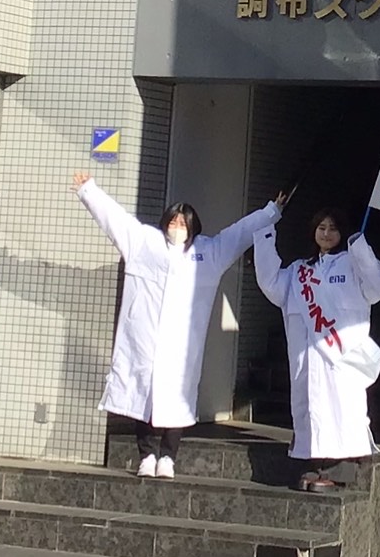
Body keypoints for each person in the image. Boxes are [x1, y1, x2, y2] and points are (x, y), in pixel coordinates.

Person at [73, 172, 285, 477]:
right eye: (173, 221)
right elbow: (115, 218)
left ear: (193, 227)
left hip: (182, 346)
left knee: (178, 399)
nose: (177, 227)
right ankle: (147, 456)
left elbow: (238, 233)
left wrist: (270, 212)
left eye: (183, 223)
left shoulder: (208, 252)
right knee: (143, 395)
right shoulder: (145, 243)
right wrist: (89, 191)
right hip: (144, 339)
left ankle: (168, 457)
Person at [251, 207, 380, 491]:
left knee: (342, 409)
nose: (326, 234)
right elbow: (270, 284)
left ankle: (339, 470)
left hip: (342, 357)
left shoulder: (352, 264)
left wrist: (360, 248)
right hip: (307, 357)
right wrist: (265, 233)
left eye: (333, 228)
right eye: (321, 228)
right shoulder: (299, 271)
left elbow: (378, 286)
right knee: (310, 409)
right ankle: (313, 466)